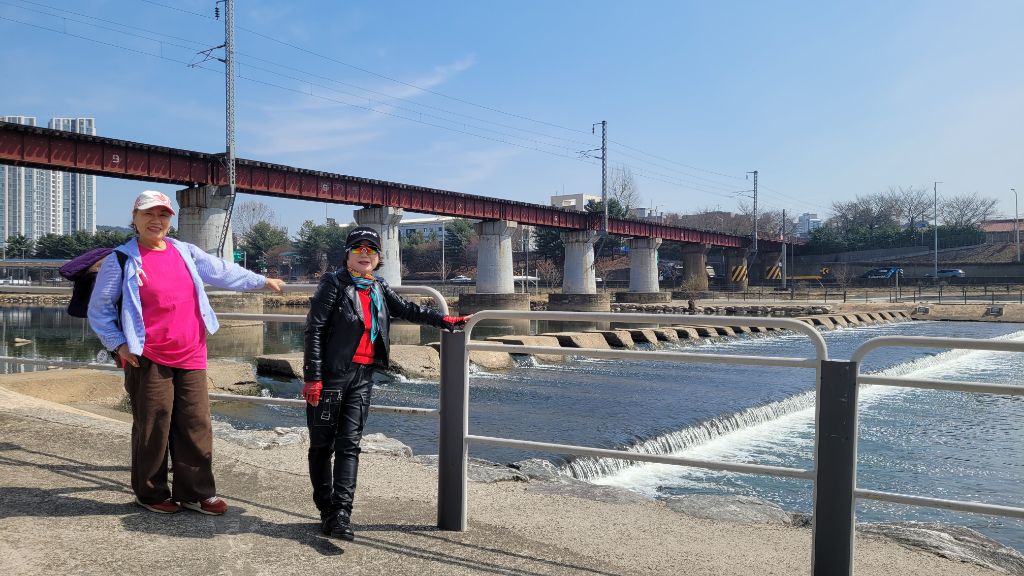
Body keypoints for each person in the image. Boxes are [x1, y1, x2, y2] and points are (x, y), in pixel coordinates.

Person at [88, 190, 285, 515]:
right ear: (135, 218)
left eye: (163, 214)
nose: (156, 220)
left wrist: (261, 281)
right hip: (147, 355)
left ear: (170, 220)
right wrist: (119, 344)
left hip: (191, 351)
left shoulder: (184, 250)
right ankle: (150, 493)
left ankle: (196, 492)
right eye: (148, 214)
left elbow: (222, 271)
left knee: (196, 424)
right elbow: (100, 309)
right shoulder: (121, 259)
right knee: (154, 426)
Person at [303, 226, 469, 541]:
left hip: (362, 377)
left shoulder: (378, 286)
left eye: (371, 249)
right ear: (347, 255)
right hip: (332, 377)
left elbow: (407, 309)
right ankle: (326, 510)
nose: (365, 254)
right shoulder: (334, 284)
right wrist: (313, 377)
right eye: (358, 248)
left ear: (379, 258)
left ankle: (341, 514)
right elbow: (315, 330)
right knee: (322, 446)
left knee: (350, 445)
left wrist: (444, 320)